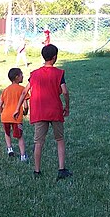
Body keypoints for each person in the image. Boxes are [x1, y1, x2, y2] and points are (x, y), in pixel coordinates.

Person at [14, 44, 70, 180]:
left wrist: (17, 108)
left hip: (39, 112)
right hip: (55, 110)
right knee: (60, 139)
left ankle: (37, 171)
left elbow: (24, 91)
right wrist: (67, 106)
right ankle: (61, 169)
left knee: (38, 142)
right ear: (55, 57)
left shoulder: (34, 74)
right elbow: (65, 91)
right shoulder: (59, 73)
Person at [0, 67, 28, 160]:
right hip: (16, 117)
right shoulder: (22, 89)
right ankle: (23, 156)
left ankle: (10, 149)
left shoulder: (6, 90)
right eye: (21, 75)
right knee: (20, 137)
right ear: (17, 77)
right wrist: (25, 112)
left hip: (5, 116)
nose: (23, 76)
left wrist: (2, 113)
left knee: (7, 133)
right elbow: (26, 105)